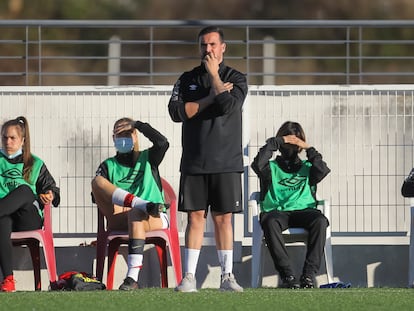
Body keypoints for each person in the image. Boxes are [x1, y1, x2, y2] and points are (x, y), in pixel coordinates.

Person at [168, 25, 248, 292]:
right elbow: (178, 112)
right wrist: (209, 97)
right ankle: (189, 277)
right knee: (195, 218)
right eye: (204, 45)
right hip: (194, 162)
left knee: (224, 219)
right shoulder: (186, 79)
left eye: (213, 45)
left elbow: (228, 106)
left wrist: (215, 76)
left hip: (226, 161)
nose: (208, 50)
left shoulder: (236, 78)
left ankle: (227, 277)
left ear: (223, 47)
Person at [91, 117, 169, 290]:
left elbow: (163, 142)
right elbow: (96, 194)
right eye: (119, 135)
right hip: (120, 216)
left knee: (136, 214)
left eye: (127, 134)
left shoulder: (149, 157)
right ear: (113, 139)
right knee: (97, 182)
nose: (123, 138)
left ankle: (131, 278)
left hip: (154, 215)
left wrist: (139, 125)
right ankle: (140, 203)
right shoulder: (108, 165)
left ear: (135, 136)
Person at [251, 121, 330, 289]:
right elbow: (257, 164)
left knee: (321, 221)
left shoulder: (308, 167)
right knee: (269, 222)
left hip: (304, 211)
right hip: (277, 212)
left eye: (295, 142)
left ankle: (308, 276)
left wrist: (308, 148)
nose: (291, 146)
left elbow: (322, 170)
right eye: (288, 141)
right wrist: (277, 141)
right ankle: (288, 276)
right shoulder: (270, 167)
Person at [0, 116, 60, 292]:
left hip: (28, 218)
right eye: (4, 137)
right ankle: (9, 280)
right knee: (2, 221)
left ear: (23, 140)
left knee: (25, 190)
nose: (8, 141)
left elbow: (52, 188)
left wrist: (50, 194)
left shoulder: (35, 163)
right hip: (5, 216)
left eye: (13, 138)